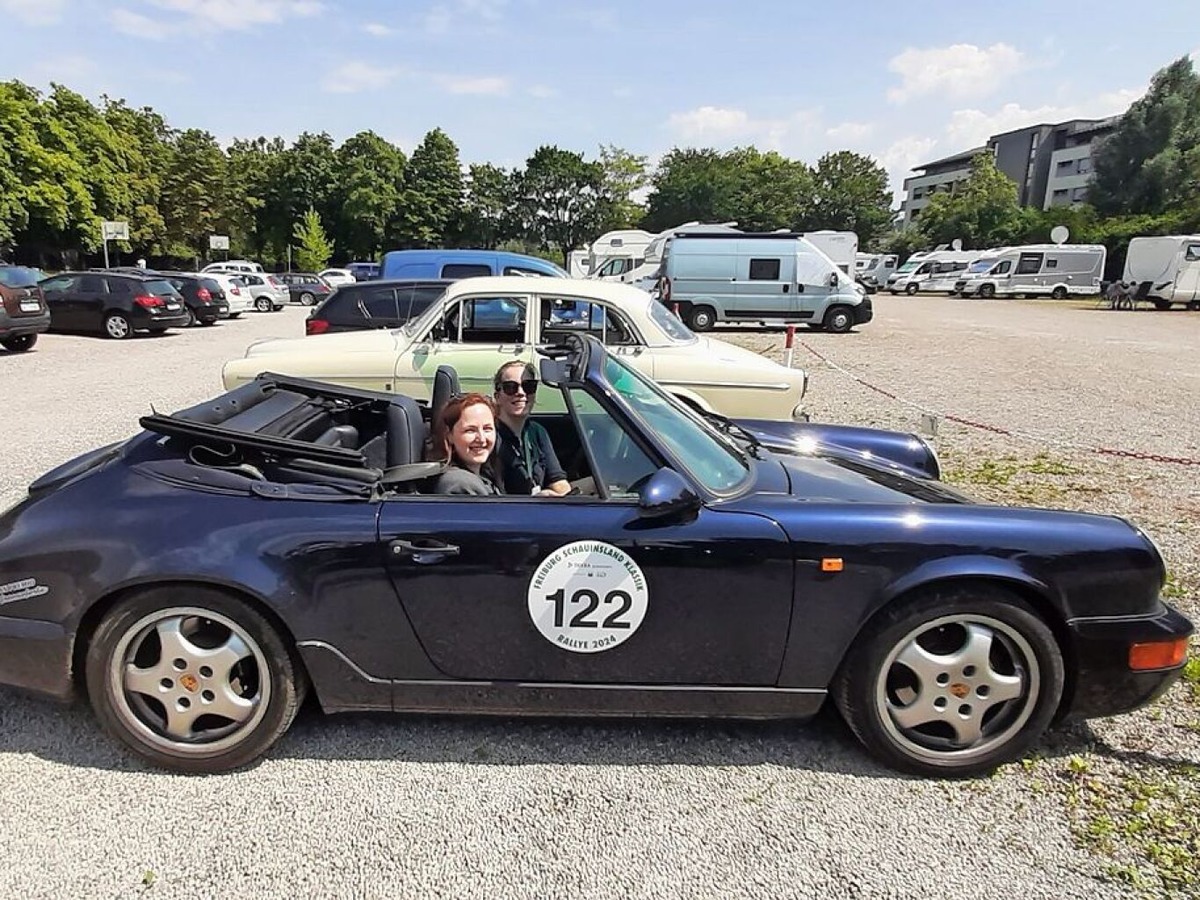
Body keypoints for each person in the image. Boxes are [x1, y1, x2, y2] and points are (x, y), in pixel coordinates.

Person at [493, 361, 571, 496]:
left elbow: (558, 481)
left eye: (529, 386)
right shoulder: (491, 435)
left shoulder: (537, 431)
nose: (521, 393)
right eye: (511, 387)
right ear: (497, 396)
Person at [427, 393, 504, 496]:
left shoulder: (486, 476)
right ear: (449, 435)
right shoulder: (461, 484)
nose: (481, 439)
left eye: (487, 429)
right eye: (470, 430)